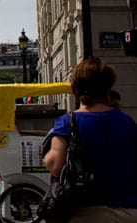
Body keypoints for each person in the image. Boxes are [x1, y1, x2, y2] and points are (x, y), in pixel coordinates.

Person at [44, 58, 137, 221]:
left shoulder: (68, 123)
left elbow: (54, 165)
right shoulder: (127, 121)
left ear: (76, 88)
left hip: (88, 212)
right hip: (129, 211)